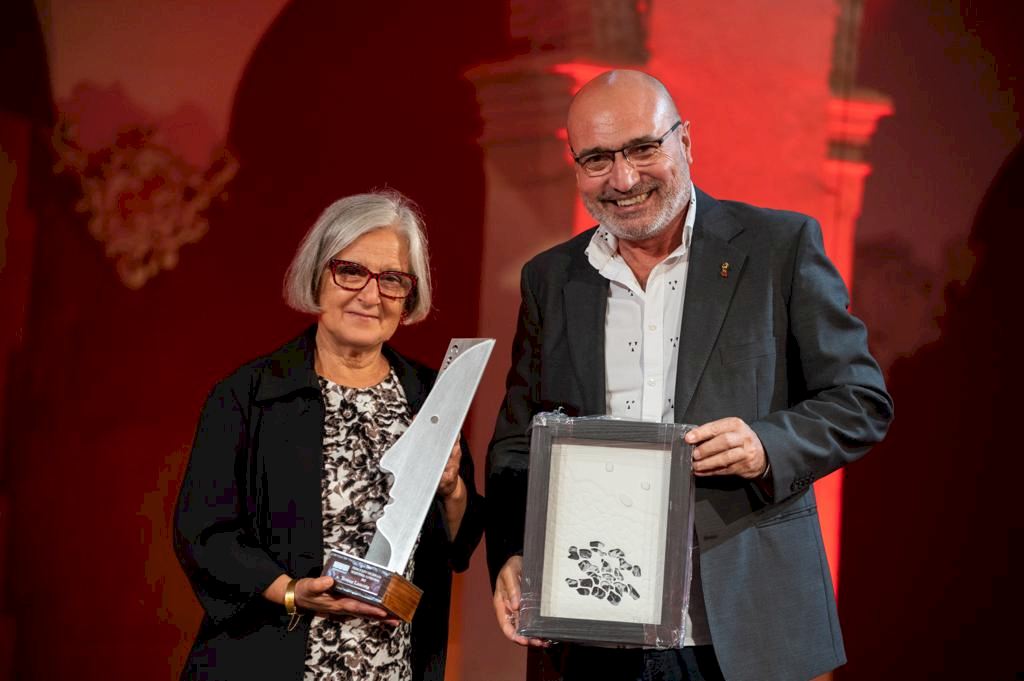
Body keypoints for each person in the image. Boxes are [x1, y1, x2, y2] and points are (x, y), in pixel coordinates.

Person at [486, 70, 893, 681]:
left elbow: (860, 400)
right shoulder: (551, 277)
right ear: (576, 167)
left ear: (685, 143)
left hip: (741, 631)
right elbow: (518, 440)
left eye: (642, 148)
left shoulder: (779, 247)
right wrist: (516, 551)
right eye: (598, 159)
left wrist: (765, 446)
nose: (624, 179)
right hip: (591, 631)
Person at [174, 191, 483, 681]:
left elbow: (459, 545)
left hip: (393, 666)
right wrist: (290, 591)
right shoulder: (248, 394)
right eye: (351, 271)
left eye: (392, 279)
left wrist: (451, 488)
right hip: (270, 657)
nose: (370, 295)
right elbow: (205, 532)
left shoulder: (430, 396)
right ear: (318, 275)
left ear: (409, 296)